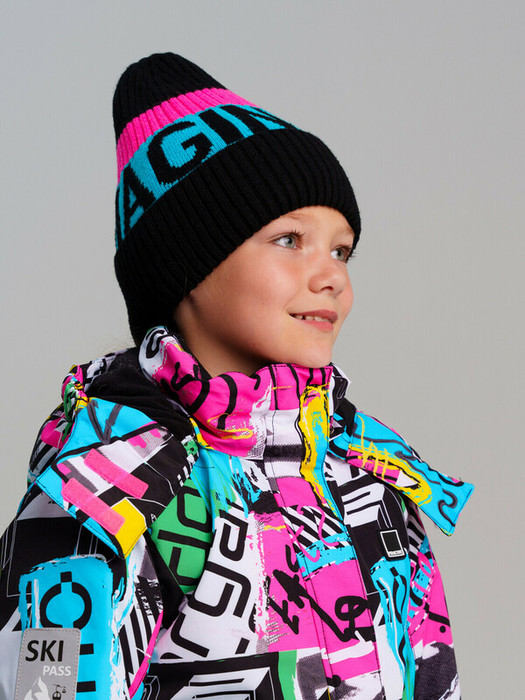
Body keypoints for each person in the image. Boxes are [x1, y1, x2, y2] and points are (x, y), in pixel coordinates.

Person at [0, 53, 473, 700]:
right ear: (187, 268)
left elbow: (432, 676)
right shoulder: (111, 486)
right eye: (289, 240)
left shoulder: (369, 479)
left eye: (341, 249)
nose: (331, 276)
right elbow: (40, 686)